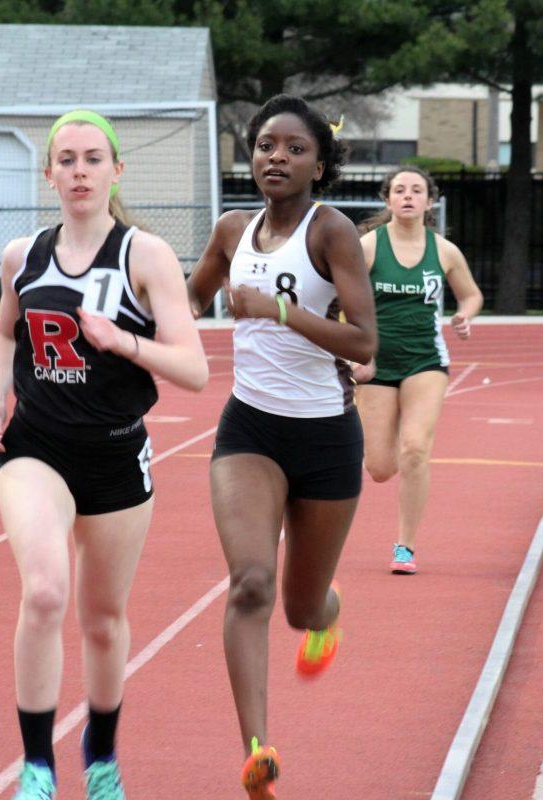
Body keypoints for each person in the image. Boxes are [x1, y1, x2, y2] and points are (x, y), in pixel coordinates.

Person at [0, 109, 208, 800]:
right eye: (67, 159)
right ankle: (36, 767)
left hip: (114, 454)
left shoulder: (147, 255)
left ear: (116, 171)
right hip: (35, 448)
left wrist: (123, 342)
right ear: (48, 174)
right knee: (45, 591)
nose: (79, 171)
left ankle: (100, 754)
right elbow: (4, 335)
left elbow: (193, 369)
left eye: (92, 158)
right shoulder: (24, 255)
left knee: (102, 619)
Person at [185, 94, 377, 800]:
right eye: (266, 144)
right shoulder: (232, 230)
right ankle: (257, 754)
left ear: (318, 164)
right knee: (251, 584)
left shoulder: (334, 234)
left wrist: (280, 310)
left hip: (326, 436)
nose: (276, 156)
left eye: (294, 148)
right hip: (251, 430)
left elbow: (365, 341)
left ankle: (327, 612)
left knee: (299, 607)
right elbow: (186, 303)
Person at [350, 167, 482, 574]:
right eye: (400, 190)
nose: (408, 196)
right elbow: (340, 300)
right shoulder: (368, 247)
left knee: (414, 450)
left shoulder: (443, 251)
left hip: (426, 361)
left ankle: (405, 546)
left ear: (429, 201)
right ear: (388, 199)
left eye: (417, 190)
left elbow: (472, 294)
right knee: (380, 467)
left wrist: (464, 315)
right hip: (376, 365)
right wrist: (354, 349)